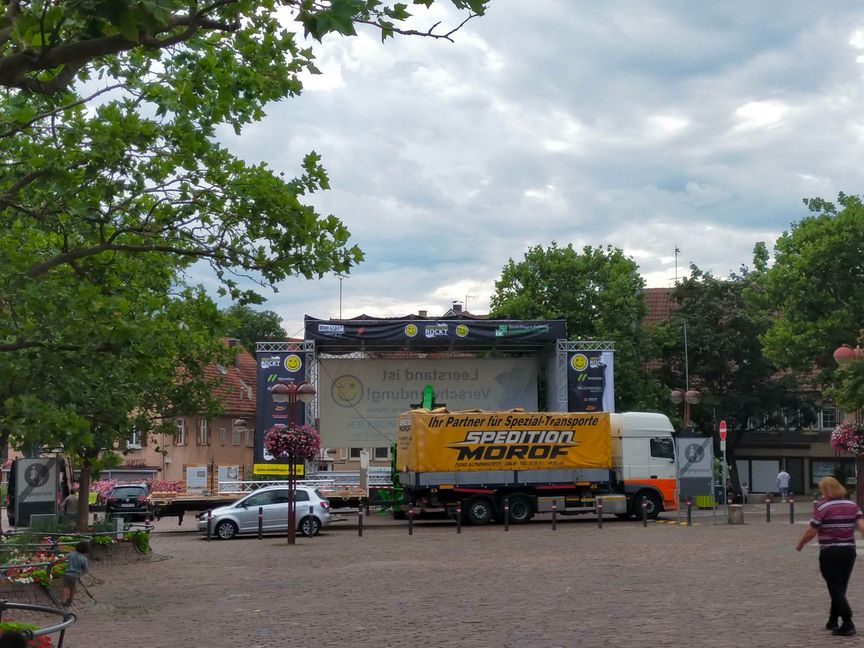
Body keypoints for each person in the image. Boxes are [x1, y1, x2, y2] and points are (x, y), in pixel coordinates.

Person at [796, 476, 864, 636]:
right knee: (840, 585)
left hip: (830, 551)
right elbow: (861, 525)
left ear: (826, 490)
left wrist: (800, 544)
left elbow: (811, 530)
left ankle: (847, 621)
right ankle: (833, 619)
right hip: (848, 551)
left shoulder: (822, 506)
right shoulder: (853, 505)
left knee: (834, 586)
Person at [60, 540, 89, 607]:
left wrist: (56, 561)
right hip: (75, 576)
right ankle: (70, 600)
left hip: (67, 574)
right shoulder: (84, 558)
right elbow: (85, 569)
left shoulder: (72, 553)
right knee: (73, 589)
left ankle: (63, 601)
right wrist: (82, 573)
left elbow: (64, 558)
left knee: (65, 587)